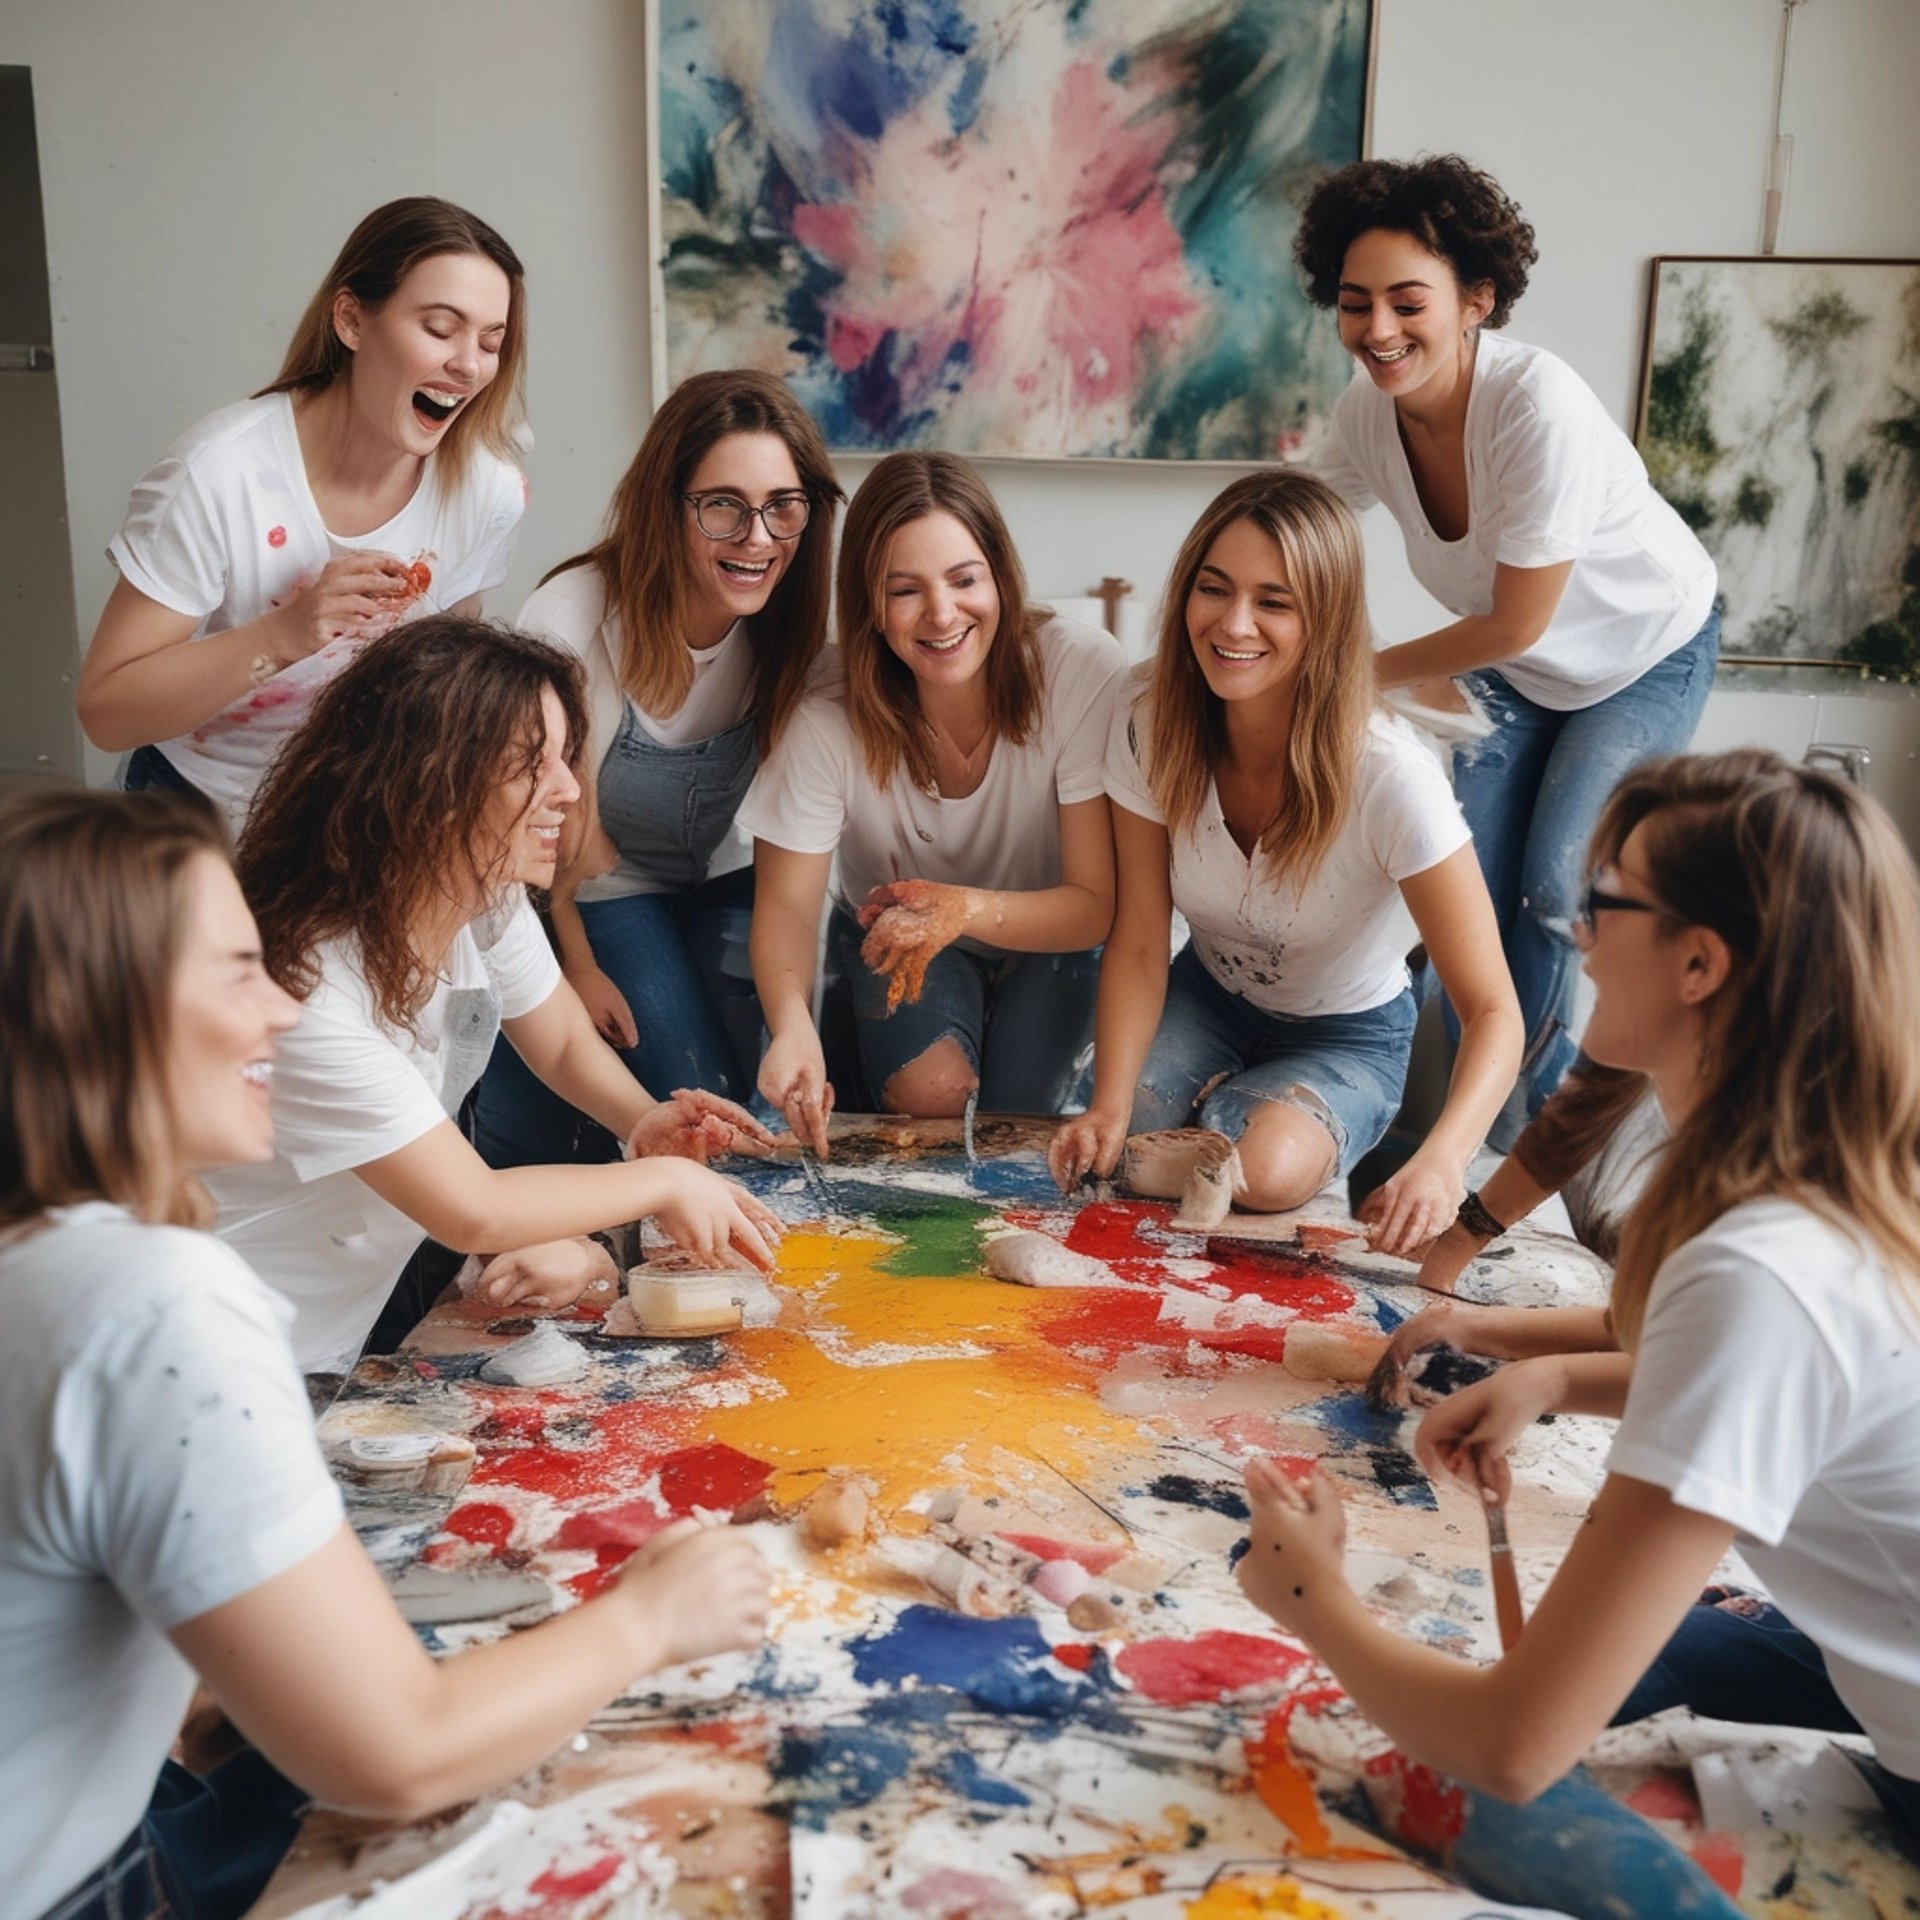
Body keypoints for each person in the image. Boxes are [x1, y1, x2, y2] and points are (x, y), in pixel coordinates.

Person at [0, 787, 770, 1920]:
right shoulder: (155, 1302)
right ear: (92, 1010)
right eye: (234, 972)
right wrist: (650, 1616)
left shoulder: (44, 1252)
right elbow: (396, 1755)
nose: (278, 1009)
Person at [1238, 750, 1920, 1852]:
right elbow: (1786, 1380)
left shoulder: (1758, 1268)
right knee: (1588, 1657)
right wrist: (1546, 1374)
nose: (1580, 935)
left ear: (1700, 962)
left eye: (1606, 904)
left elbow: (1516, 1746)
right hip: (1871, 1627)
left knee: (1477, 1761)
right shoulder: (1847, 1177)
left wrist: (1312, 1598)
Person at [214, 616, 779, 1375]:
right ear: (427, 784)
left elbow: (564, 1040)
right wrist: (663, 1179)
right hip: (215, 1352)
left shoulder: (480, 898)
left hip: (322, 1333)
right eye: (530, 766)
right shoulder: (304, 988)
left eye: (563, 759)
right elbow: (470, 1206)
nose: (571, 791)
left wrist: (640, 1120)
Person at [1296, 155, 1719, 1123]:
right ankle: (1456, 1134)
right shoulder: (1368, 416)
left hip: (1645, 654)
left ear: (1477, 298)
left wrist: (1340, 676)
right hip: (1520, 671)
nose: (1380, 331)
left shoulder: (1537, 408)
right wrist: (1220, 601)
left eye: (1408, 302)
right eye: (1356, 304)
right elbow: (1294, 516)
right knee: (1460, 907)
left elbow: (1514, 617)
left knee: (1549, 889)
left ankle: (1539, 1146)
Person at [1049, 471, 1521, 1256]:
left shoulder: (1391, 775)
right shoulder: (1146, 717)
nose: (1235, 624)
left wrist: (1442, 1160)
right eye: (1214, 589)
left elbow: (1494, 1010)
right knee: (1111, 1146)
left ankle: (1235, 1118)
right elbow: (1137, 938)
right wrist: (1107, 1102)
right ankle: (1205, 1113)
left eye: (1275, 601)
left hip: (1348, 1033)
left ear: (1326, 619)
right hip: (1205, 995)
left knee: (1260, 1173)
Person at [469, 370, 843, 1168]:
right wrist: (578, 966)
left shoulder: (797, 631)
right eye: (722, 505)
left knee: (777, 1093)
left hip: (723, 880)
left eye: (783, 505)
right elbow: (542, 831)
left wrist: (795, 1017)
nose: (758, 537)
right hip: (599, 892)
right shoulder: (570, 618)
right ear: (665, 505)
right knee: (702, 1105)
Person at [76, 196, 530, 826]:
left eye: (491, 340)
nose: (469, 364)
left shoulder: (488, 490)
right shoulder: (218, 473)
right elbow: (106, 711)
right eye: (439, 328)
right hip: (194, 815)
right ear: (350, 319)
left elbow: (446, 667)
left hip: (360, 813)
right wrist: (282, 636)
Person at [740, 451, 1125, 1151]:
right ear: (871, 609)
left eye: (964, 579)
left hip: (1055, 936)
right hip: (901, 932)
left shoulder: (1078, 670)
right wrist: (791, 1025)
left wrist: (965, 908)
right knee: (933, 1100)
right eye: (905, 590)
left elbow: (1096, 904)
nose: (942, 613)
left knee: (1019, 1121)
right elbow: (787, 907)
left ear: (1000, 580)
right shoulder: (827, 716)